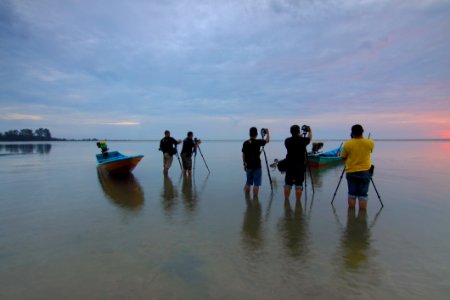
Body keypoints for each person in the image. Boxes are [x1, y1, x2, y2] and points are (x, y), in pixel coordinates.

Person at [340, 124, 374, 210]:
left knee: (351, 194)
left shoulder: (348, 144)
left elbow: (343, 157)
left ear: (352, 133)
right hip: (365, 171)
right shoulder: (370, 142)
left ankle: (351, 215)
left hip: (351, 171)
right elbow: (370, 151)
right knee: (363, 195)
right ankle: (362, 217)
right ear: (362, 132)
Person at [284, 125, 312, 201]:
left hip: (289, 165)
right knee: (299, 184)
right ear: (299, 131)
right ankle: (298, 201)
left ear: (290, 132)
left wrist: (300, 136)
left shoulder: (287, 141)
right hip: (300, 166)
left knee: (288, 184)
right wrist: (309, 131)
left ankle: (286, 200)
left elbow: (296, 139)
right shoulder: (303, 140)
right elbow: (309, 138)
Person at [242, 127, 270, 197]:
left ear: (249, 134)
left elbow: (243, 154)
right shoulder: (258, 142)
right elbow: (267, 140)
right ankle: (255, 199)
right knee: (256, 184)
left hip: (248, 165)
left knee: (248, 183)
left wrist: (244, 163)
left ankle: (247, 198)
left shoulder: (246, 143)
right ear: (257, 134)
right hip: (257, 166)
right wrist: (268, 132)